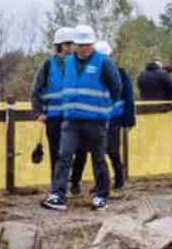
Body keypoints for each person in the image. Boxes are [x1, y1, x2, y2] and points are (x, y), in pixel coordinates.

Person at [43, 25, 124, 211]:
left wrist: (104, 107)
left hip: (95, 120)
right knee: (64, 156)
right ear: (76, 45)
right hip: (71, 119)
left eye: (88, 45)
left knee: (98, 158)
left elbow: (116, 87)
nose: (84, 48)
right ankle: (58, 195)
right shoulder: (69, 62)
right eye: (81, 45)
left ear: (92, 44)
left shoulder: (104, 62)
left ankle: (101, 196)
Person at [71, 39, 132, 193]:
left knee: (112, 151)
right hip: (94, 117)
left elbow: (128, 97)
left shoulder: (121, 74)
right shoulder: (88, 72)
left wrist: (129, 119)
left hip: (114, 117)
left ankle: (119, 180)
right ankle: (92, 183)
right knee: (90, 152)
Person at [30, 27, 73, 180]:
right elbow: (36, 90)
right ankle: (57, 187)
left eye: (72, 43)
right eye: (67, 43)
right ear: (59, 45)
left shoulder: (79, 64)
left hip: (74, 116)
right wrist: (39, 112)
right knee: (56, 153)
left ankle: (72, 182)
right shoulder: (48, 65)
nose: (71, 47)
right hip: (53, 117)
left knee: (72, 152)